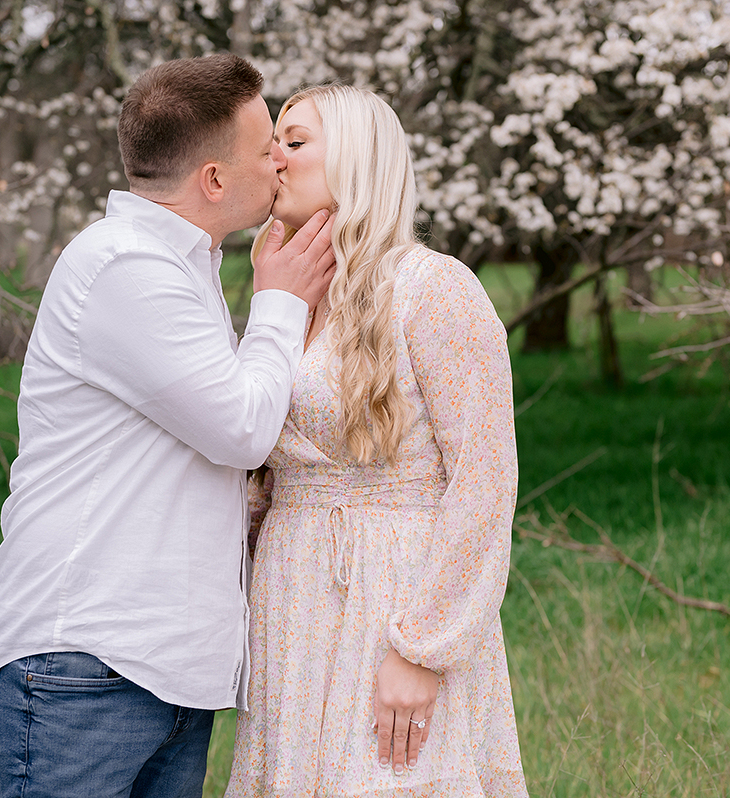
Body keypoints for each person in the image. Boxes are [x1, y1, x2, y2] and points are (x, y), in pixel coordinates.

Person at [0, 54, 336, 797]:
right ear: (212, 180)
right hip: (86, 665)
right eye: (266, 145)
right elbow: (240, 429)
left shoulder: (180, 267)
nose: (279, 160)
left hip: (164, 672)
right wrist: (280, 301)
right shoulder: (124, 267)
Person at [226, 84, 529, 797]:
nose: (273, 158)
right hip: (295, 598)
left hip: (395, 595)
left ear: (359, 161)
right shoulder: (281, 303)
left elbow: (485, 481)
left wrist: (422, 649)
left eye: (295, 142)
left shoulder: (435, 289)